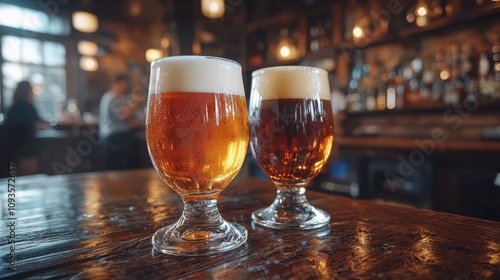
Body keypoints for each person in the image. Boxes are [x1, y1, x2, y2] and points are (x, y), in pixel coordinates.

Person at [99, 74, 137, 170]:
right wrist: (133, 105)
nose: (123, 89)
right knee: (118, 168)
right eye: (122, 86)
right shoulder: (112, 98)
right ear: (115, 84)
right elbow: (124, 116)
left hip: (111, 138)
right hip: (115, 138)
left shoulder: (108, 96)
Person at [4, 81, 42, 175]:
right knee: (28, 179)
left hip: (11, 150)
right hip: (27, 151)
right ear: (28, 91)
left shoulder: (13, 107)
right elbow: (39, 124)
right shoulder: (28, 107)